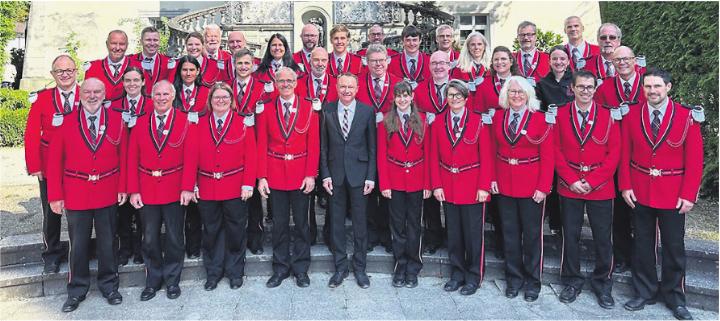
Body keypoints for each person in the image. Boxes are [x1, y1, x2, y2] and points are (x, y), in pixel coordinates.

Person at [619, 68, 703, 320]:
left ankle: (675, 297)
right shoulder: (633, 113)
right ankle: (644, 291)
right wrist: (625, 185)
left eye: (657, 86)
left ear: (668, 87)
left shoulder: (687, 116)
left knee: (673, 246)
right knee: (642, 244)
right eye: (648, 87)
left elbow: (695, 159)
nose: (652, 91)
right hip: (640, 189)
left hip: (673, 192)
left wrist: (689, 194)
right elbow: (625, 152)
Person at [47, 78, 127, 312]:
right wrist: (55, 195)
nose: (92, 96)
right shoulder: (65, 121)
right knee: (78, 245)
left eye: (97, 91)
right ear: (81, 94)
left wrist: (123, 187)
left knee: (108, 242)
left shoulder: (117, 120)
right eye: (88, 92)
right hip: (77, 193)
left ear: (104, 94)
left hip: (107, 191)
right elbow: (54, 163)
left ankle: (110, 286)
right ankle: (76, 290)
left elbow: (124, 157)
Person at [553, 70, 620, 308]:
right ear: (572, 88)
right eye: (581, 87)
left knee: (603, 237)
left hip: (600, 186)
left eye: (590, 87)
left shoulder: (608, 116)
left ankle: (603, 283)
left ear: (595, 88)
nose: (585, 91)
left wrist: (593, 181)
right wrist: (571, 179)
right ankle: (572, 281)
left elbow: (614, 154)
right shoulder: (560, 115)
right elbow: (555, 150)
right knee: (570, 236)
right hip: (569, 184)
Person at [182, 82, 257, 291]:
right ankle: (213, 273)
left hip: (235, 187)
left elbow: (251, 156)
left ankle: (235, 273)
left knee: (235, 231)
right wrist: (191, 184)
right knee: (211, 231)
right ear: (210, 101)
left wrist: (248, 184)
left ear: (232, 101)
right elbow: (191, 157)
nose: (221, 101)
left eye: (225, 97)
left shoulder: (243, 123)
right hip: (207, 187)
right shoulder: (199, 124)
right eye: (217, 98)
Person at [127, 80, 195, 301]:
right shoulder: (140, 123)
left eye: (166, 94)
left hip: (175, 190)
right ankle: (153, 280)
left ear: (173, 96)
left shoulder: (185, 122)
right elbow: (132, 159)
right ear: (151, 96)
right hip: (147, 190)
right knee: (149, 238)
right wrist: (133, 191)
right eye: (158, 94)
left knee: (175, 237)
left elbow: (190, 159)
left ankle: (173, 280)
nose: (162, 98)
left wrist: (187, 187)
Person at [491, 76, 554, 302]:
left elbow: (548, 157)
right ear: (505, 95)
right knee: (509, 235)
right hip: (505, 184)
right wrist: (492, 179)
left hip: (531, 187)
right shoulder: (498, 117)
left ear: (528, 95)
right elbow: (491, 151)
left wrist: (543, 187)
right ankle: (514, 279)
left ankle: (532, 281)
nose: (516, 95)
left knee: (532, 236)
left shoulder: (540, 119)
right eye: (512, 92)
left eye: (520, 92)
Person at [257, 67, 319, 288]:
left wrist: (311, 174)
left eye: (289, 81)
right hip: (275, 174)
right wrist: (262, 176)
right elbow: (262, 144)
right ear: (275, 82)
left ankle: (301, 269)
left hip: (301, 175)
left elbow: (314, 145)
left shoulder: (309, 108)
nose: (285, 84)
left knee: (302, 224)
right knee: (280, 225)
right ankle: (280, 268)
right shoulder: (265, 109)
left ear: (296, 82)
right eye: (281, 81)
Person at [430, 80, 493, 296]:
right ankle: (457, 273)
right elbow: (433, 157)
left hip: (473, 186)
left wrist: (484, 186)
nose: (454, 99)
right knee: (454, 234)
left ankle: (474, 276)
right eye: (450, 95)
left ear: (466, 99)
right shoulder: (438, 122)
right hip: (448, 186)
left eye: (458, 95)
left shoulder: (478, 122)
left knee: (473, 235)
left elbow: (486, 156)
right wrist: (436, 185)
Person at [320, 73, 376, 289]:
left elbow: (372, 147)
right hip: (334, 176)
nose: (346, 90)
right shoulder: (327, 110)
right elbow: (323, 147)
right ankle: (340, 267)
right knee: (336, 223)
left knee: (360, 224)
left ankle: (360, 268)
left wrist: (371, 176)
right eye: (342, 86)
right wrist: (324, 174)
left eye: (350, 87)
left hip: (360, 176)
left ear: (357, 88)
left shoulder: (367, 111)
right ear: (336, 87)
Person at [24, 54, 78, 274]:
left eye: (69, 70)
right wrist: (35, 165)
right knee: (51, 212)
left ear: (76, 72)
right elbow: (31, 134)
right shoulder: (43, 99)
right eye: (59, 71)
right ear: (52, 74)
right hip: (49, 167)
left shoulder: (87, 95)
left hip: (78, 167)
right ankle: (52, 254)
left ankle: (79, 251)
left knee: (79, 212)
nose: (64, 75)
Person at [595, 46, 646, 275]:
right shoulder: (605, 86)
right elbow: (596, 114)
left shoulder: (649, 83)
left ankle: (643, 258)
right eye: (617, 60)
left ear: (634, 60)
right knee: (619, 213)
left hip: (643, 155)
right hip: (615, 154)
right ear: (612, 63)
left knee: (643, 210)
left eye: (626, 59)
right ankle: (623, 256)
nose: (622, 63)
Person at [377, 80, 430, 288]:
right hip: (395, 179)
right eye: (398, 96)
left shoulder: (423, 120)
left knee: (414, 224)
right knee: (397, 225)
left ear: (412, 97)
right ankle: (400, 263)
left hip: (417, 179)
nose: (402, 99)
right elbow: (382, 155)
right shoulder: (385, 121)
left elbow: (428, 154)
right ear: (394, 98)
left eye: (406, 95)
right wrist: (385, 184)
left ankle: (413, 266)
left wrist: (428, 184)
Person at [357, 44, 402, 253]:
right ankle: (370, 235)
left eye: (381, 60)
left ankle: (387, 235)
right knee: (367, 193)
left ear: (388, 61)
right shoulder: (359, 82)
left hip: (391, 144)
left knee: (387, 193)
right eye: (373, 60)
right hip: (364, 144)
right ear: (367, 62)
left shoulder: (397, 84)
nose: (378, 64)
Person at [223, 48, 269, 254]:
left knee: (254, 196)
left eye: (247, 64)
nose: (243, 67)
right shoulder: (226, 88)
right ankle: (234, 240)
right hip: (231, 146)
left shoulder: (263, 87)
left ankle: (255, 238)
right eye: (239, 63)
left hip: (258, 143)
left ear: (253, 66)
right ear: (234, 65)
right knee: (234, 195)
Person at [110, 67, 151, 266]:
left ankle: (141, 249)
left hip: (144, 163)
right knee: (122, 211)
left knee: (142, 211)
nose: (132, 84)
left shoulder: (151, 104)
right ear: (123, 83)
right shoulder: (114, 105)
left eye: (136, 80)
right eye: (128, 80)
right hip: (119, 162)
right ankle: (124, 249)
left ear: (143, 82)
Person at [171, 55, 209, 259]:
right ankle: (179, 245)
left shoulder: (205, 92)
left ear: (198, 72)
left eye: (191, 70)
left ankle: (195, 245)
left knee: (196, 201)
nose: (188, 73)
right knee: (179, 202)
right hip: (176, 148)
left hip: (200, 148)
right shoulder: (172, 92)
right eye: (184, 70)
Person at [414, 50, 450, 255]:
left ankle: (453, 235)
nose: (438, 67)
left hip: (453, 148)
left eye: (442, 63)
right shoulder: (420, 90)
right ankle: (433, 235)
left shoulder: (459, 88)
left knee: (452, 195)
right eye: (434, 63)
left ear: (449, 65)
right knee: (429, 197)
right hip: (428, 148)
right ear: (429, 66)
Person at [84, 30, 131, 101]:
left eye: (122, 44)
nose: (118, 48)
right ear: (107, 44)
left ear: (127, 45)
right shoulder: (93, 68)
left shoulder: (136, 66)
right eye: (113, 43)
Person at [127, 26, 172, 97]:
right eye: (148, 40)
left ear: (159, 41)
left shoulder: (168, 62)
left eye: (155, 40)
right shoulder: (129, 61)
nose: (152, 43)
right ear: (141, 41)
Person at [474, 46, 518, 114]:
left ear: (511, 61)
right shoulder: (483, 84)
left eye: (503, 59)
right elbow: (478, 111)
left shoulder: (521, 82)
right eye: (496, 59)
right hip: (492, 124)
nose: (499, 62)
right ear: (492, 62)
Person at [536, 45, 575, 111]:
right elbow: (540, 111)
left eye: (562, 59)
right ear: (549, 61)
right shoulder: (541, 85)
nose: (558, 62)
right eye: (554, 59)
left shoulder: (577, 80)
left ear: (568, 61)